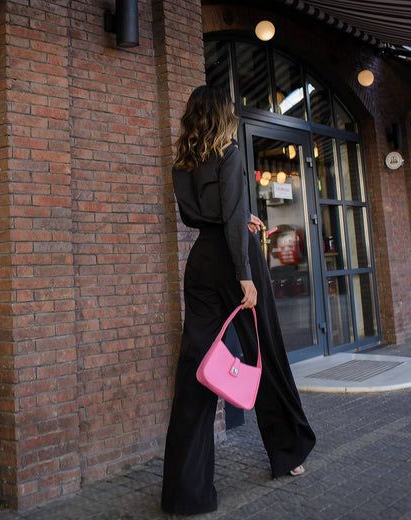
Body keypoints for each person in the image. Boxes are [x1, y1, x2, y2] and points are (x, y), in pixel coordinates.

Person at [161, 85, 316, 515]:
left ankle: (183, 493)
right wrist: (245, 275)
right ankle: (289, 452)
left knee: (195, 370)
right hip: (236, 259)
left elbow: (203, 215)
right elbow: (230, 217)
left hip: (201, 261)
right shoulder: (228, 152)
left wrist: (238, 212)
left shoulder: (182, 162)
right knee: (263, 350)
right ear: (222, 116)